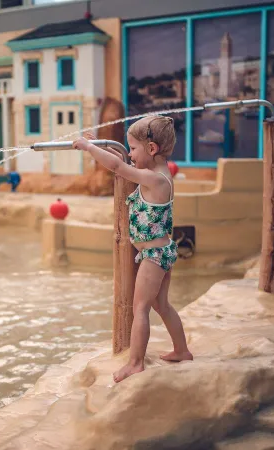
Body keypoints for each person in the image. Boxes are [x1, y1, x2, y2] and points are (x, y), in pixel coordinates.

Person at [73, 117, 193, 383]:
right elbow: (124, 161)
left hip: (153, 257)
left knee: (140, 309)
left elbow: (118, 167)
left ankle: (135, 363)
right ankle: (182, 350)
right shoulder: (161, 174)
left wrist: (88, 148)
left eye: (134, 149)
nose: (130, 154)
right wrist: (104, 147)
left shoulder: (153, 180)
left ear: (151, 149)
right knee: (162, 305)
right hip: (161, 252)